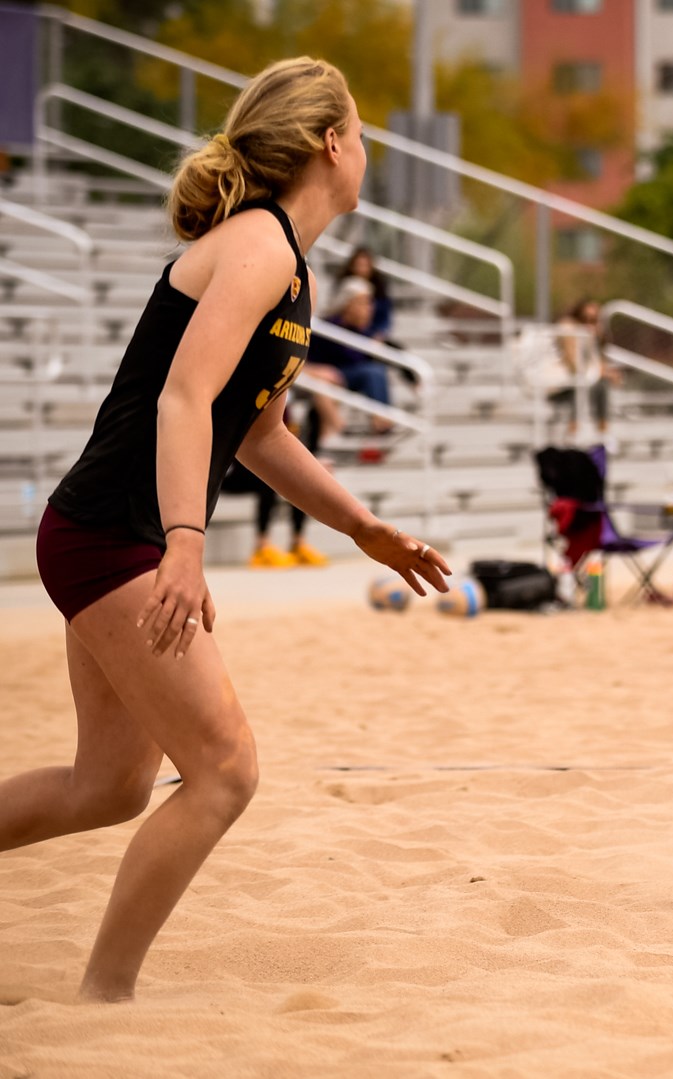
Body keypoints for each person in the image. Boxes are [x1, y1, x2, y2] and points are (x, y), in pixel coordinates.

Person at [0, 58, 451, 1002]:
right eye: (362, 131)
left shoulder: (293, 267)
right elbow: (184, 396)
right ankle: (104, 996)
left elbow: (257, 432)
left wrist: (364, 527)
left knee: (109, 787)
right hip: (113, 532)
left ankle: (102, 989)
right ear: (331, 142)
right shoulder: (259, 244)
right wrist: (185, 542)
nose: (367, 149)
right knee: (225, 770)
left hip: (106, 530)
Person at [227, 392, 329, 568]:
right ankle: (262, 545)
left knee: (301, 480)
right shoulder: (261, 398)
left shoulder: (306, 409)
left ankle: (298, 542)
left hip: (263, 463)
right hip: (235, 470)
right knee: (267, 482)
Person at [547, 298, 618, 447]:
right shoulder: (568, 330)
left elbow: (596, 364)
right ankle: (573, 431)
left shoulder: (591, 337)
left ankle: (603, 432)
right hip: (559, 384)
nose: (589, 324)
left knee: (601, 384)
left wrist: (596, 339)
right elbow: (574, 365)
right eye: (585, 319)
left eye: (594, 320)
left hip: (582, 382)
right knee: (582, 386)